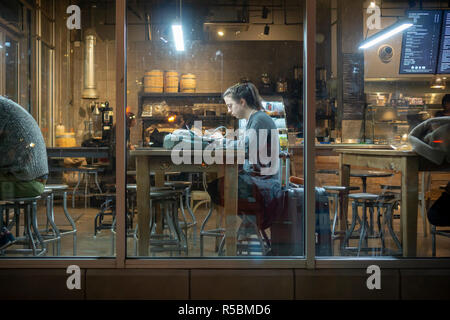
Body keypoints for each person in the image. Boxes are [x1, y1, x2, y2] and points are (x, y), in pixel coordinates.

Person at [207, 82, 282, 232]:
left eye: (230, 105)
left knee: (216, 187)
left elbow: (246, 148)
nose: (229, 111)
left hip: (265, 185)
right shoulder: (254, 120)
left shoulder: (259, 119)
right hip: (260, 181)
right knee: (217, 186)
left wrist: (221, 141)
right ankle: (249, 225)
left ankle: (248, 226)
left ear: (242, 102)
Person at [0, 96, 49, 248]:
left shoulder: (2, 109)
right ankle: (3, 234)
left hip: (27, 181)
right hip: (32, 178)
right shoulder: (5, 106)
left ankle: (2, 237)